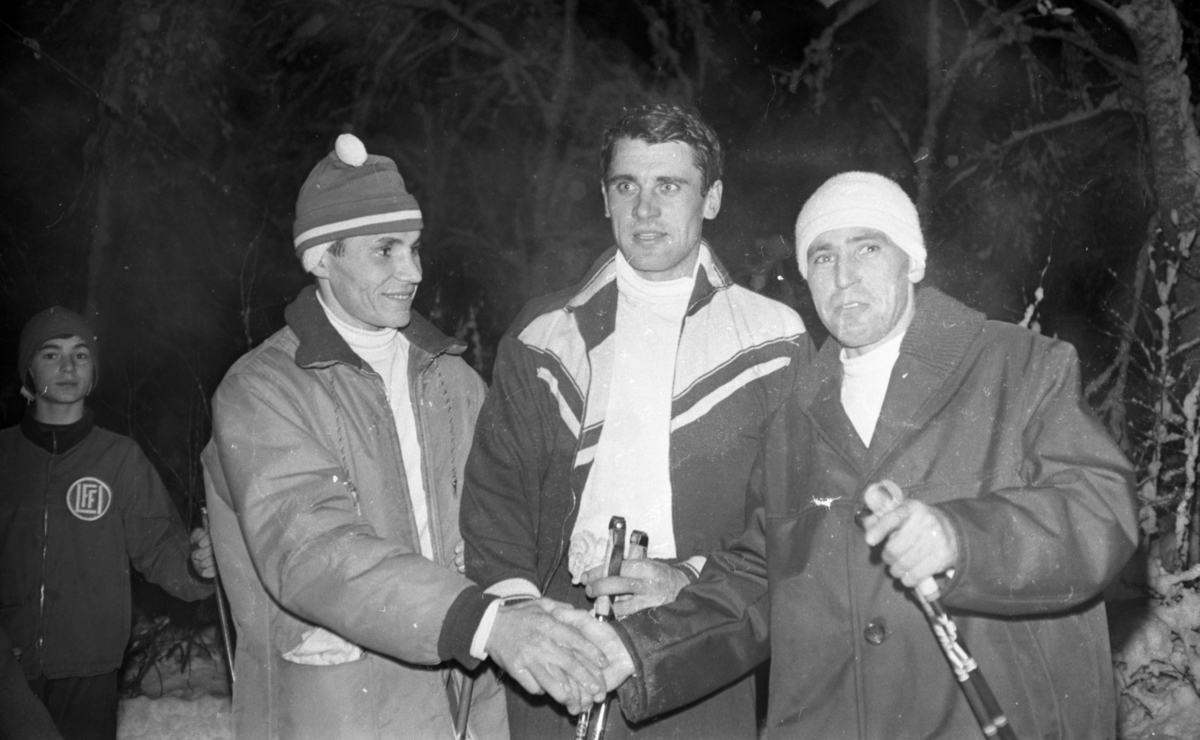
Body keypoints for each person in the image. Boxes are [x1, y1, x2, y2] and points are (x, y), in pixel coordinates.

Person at [581, 171, 1140, 739]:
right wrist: (637, 651)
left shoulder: (1017, 365)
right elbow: (761, 581)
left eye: (867, 248)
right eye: (822, 257)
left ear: (912, 261)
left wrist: (960, 539)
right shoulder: (793, 422)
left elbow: (1101, 509)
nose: (844, 276)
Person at [202, 133, 614, 740]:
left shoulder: (453, 378)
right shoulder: (262, 390)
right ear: (320, 259)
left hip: (466, 702)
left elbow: (505, 509)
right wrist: (484, 623)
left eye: (415, 248)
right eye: (385, 250)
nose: (413, 271)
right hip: (342, 710)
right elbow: (315, 550)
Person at [459, 102, 810, 738]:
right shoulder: (544, 333)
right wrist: (523, 620)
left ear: (712, 199)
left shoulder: (772, 339)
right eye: (627, 186)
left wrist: (687, 579)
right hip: (558, 638)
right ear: (604, 198)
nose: (645, 209)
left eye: (669, 186)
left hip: (700, 639)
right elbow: (494, 502)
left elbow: (786, 527)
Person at [0, 306, 216, 740]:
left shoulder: (119, 459)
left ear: (93, 371)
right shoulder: (5, 456)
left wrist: (197, 565)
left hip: (89, 670)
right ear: (28, 370)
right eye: (51, 354)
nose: (68, 367)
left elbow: (160, 545)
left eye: (80, 355)